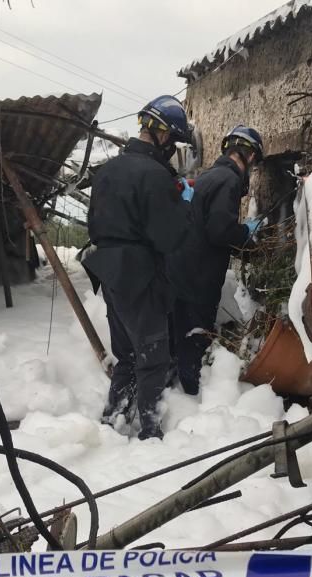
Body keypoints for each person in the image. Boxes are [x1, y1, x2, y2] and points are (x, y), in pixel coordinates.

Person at [82, 95, 193, 440]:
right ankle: (150, 431)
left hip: (108, 272)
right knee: (153, 357)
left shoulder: (106, 171)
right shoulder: (156, 175)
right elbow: (170, 238)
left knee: (126, 355)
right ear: (162, 136)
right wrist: (182, 206)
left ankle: (112, 421)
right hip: (140, 276)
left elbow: (94, 224)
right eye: (173, 141)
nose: (173, 148)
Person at [168, 125, 265, 395]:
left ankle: (170, 392)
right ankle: (190, 395)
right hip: (199, 276)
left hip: (181, 270)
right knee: (195, 336)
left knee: (178, 335)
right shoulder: (230, 180)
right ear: (250, 156)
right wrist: (247, 234)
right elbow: (220, 230)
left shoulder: (209, 175)